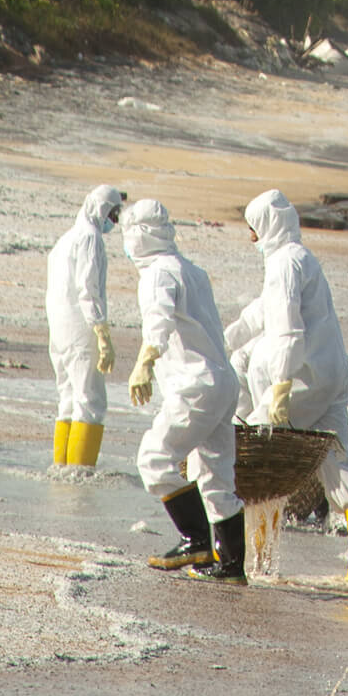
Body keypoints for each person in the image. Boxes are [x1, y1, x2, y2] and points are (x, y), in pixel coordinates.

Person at [226, 190, 348, 587]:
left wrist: (280, 386)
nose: (251, 238)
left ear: (267, 226)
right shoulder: (300, 258)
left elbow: (287, 330)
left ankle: (256, 560)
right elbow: (261, 312)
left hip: (303, 379)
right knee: (340, 464)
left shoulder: (283, 264)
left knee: (259, 460)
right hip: (333, 375)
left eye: (253, 229)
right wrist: (224, 339)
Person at [122, 200, 247, 583]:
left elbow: (158, 322)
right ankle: (230, 566)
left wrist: (144, 364)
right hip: (222, 382)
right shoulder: (192, 270)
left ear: (139, 235)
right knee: (216, 476)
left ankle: (195, 540)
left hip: (195, 384)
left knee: (155, 458)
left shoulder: (157, 274)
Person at [45, 185, 124, 467]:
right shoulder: (90, 238)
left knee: (67, 399)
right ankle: (80, 473)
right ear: (102, 209)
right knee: (90, 400)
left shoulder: (64, 240)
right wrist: (101, 330)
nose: (114, 221)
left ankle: (61, 469)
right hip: (81, 329)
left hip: (59, 330)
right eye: (113, 214)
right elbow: (88, 289)